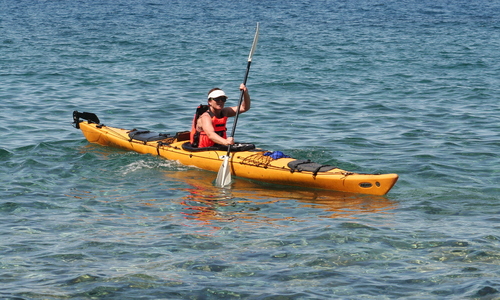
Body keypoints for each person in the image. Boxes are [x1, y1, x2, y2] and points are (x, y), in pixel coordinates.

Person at [190, 83, 250, 148]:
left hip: (219, 146)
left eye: (223, 99)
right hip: (204, 149)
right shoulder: (205, 117)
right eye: (217, 99)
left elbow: (244, 108)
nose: (220, 101)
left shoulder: (225, 112)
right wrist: (226, 142)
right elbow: (211, 134)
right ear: (209, 101)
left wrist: (245, 93)